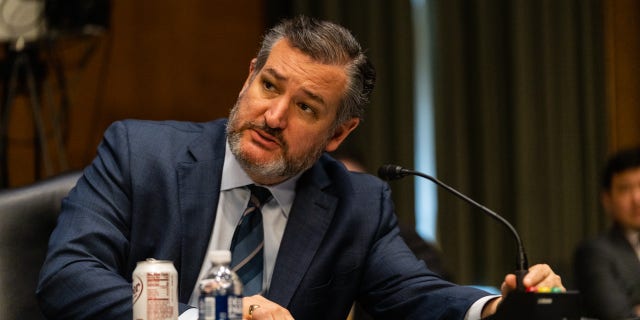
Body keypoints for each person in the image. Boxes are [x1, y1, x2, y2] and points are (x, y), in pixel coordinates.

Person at [37, 15, 564, 319]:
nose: (273, 116)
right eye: (269, 86)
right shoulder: (139, 154)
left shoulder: (359, 204)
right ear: (249, 78)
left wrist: (498, 312)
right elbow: (67, 276)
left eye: (307, 108)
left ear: (339, 134)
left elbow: (415, 296)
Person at [573, 147, 640, 320]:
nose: (637, 199)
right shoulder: (593, 252)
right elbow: (618, 316)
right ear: (607, 200)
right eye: (625, 189)